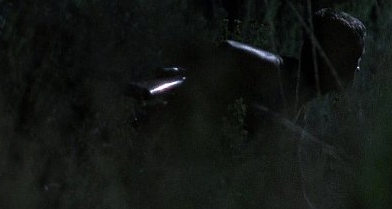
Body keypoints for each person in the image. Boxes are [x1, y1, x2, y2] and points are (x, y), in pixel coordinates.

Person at [128, 8, 366, 130]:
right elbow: (229, 50)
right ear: (328, 58)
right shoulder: (279, 74)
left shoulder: (299, 103)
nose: (356, 68)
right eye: (351, 58)